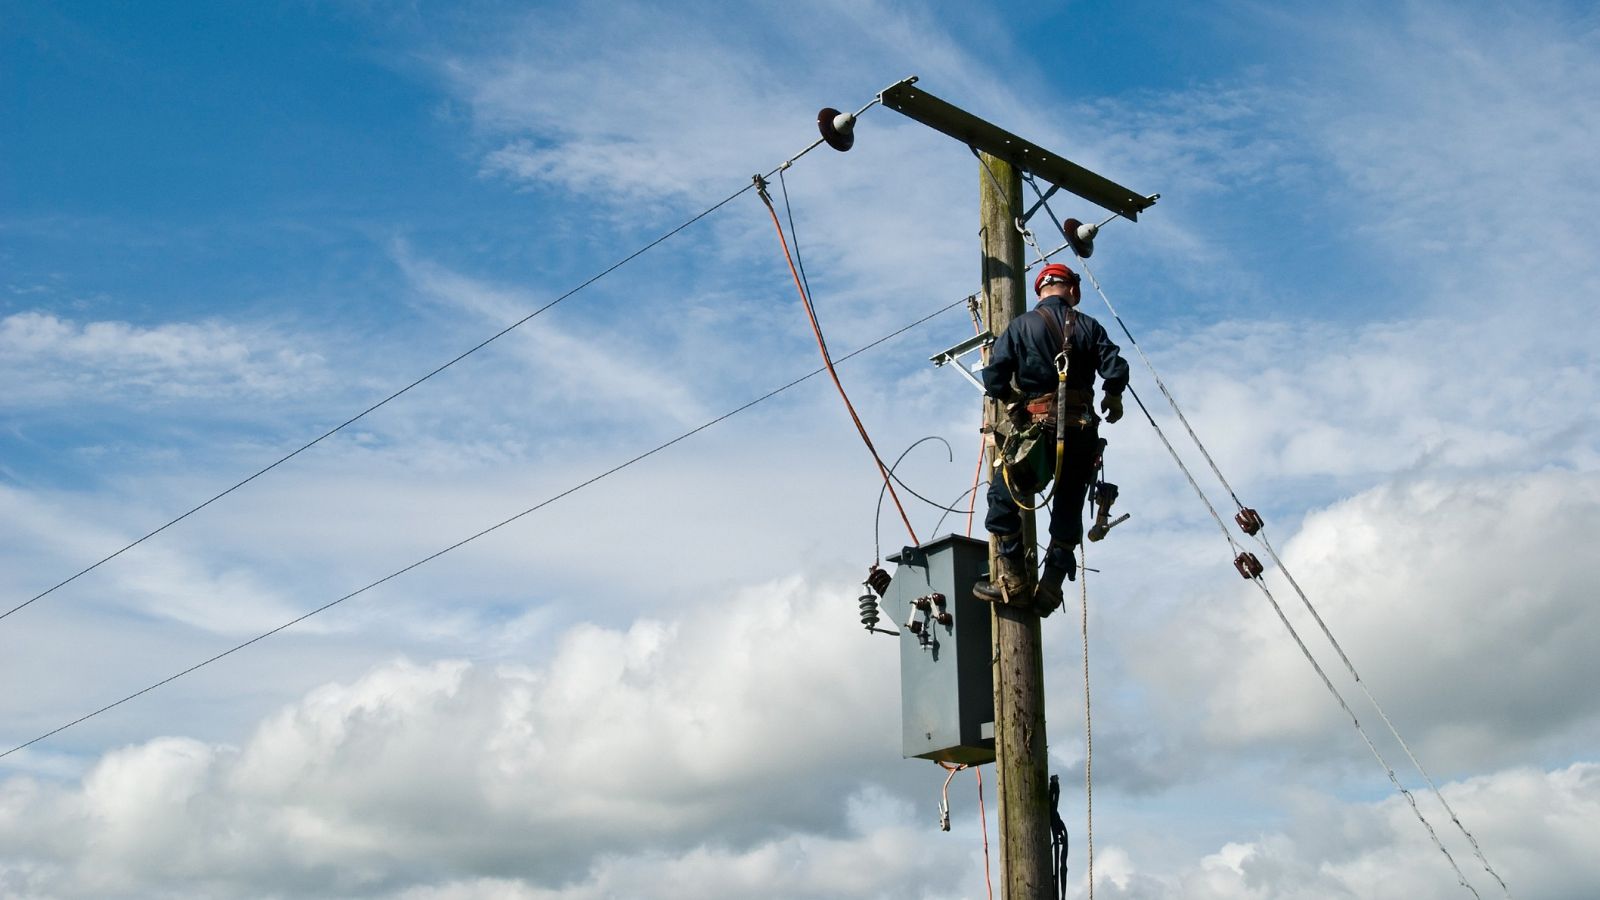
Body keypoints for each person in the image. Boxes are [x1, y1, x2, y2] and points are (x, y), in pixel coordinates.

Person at [972, 262, 1129, 615]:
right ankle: (1051, 586)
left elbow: (994, 376)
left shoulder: (1021, 326)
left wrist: (1012, 401)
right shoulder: (1089, 326)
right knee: (1069, 505)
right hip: (1081, 432)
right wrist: (1113, 396)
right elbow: (1115, 367)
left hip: (1038, 432)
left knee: (1003, 497)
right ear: (1072, 290)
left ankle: (1012, 579)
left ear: (1040, 291)